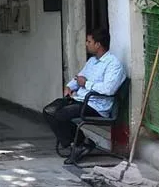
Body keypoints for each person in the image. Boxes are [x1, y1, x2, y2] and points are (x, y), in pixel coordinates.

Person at [43, 28, 126, 164]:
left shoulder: (113, 64)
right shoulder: (92, 61)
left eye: (89, 41)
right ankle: (82, 143)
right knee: (48, 111)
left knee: (60, 115)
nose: (86, 44)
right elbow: (79, 78)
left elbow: (108, 89)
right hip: (80, 99)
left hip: (96, 105)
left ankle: (79, 144)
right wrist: (69, 87)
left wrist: (86, 84)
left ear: (98, 44)